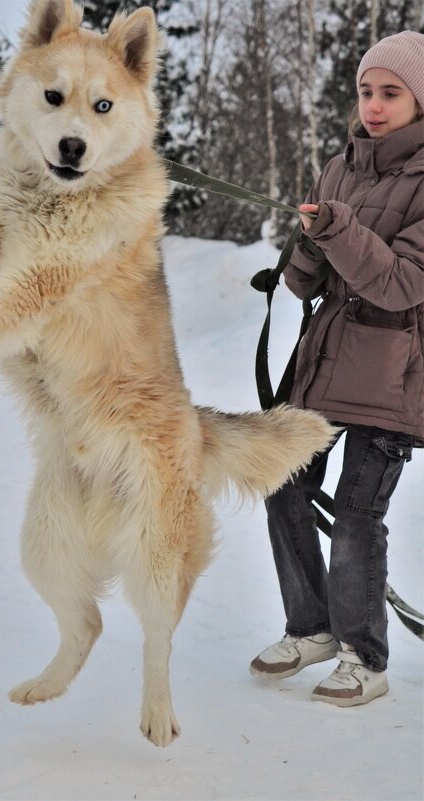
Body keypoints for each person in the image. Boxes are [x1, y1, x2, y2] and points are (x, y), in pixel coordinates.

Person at [250, 30, 424, 706]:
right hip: (325, 362)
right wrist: (299, 256)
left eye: (391, 92)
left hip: (394, 374)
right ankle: (311, 625)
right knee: (283, 484)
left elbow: (403, 283)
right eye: (365, 91)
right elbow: (314, 275)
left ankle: (364, 656)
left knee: (356, 513)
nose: (374, 106)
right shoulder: (339, 166)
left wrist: (337, 229)